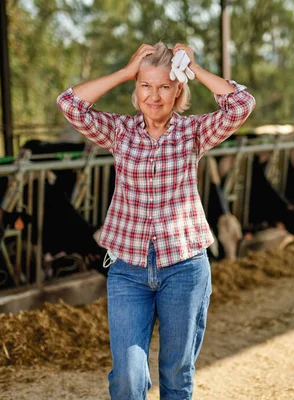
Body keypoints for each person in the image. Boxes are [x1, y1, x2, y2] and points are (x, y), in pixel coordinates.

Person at [56, 42, 255, 399]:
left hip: (184, 267)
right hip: (128, 270)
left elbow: (242, 104)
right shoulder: (120, 132)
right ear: (136, 89)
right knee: (128, 378)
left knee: (177, 374)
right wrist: (124, 71)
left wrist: (194, 67)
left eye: (164, 86)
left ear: (179, 89)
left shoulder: (193, 132)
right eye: (145, 85)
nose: (154, 95)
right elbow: (69, 103)